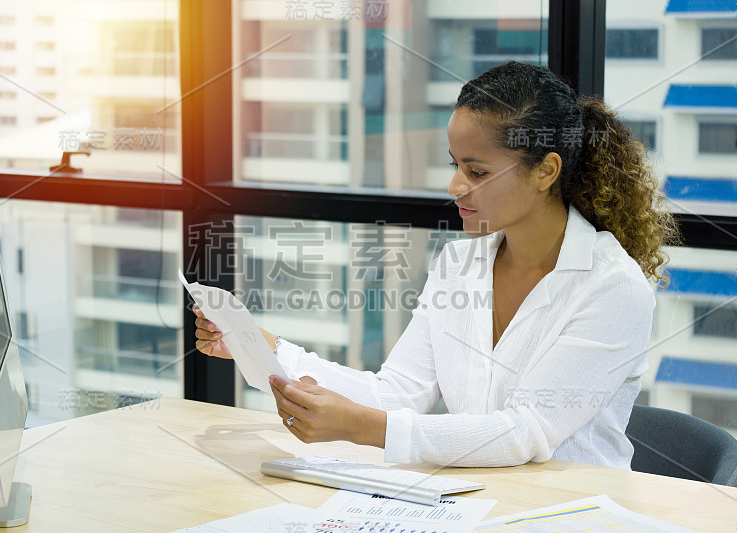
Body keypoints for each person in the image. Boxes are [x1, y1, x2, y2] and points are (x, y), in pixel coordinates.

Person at [192, 61, 681, 469]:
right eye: (456, 166)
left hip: (573, 514)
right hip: (473, 501)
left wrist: (364, 429)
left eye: (478, 171)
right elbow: (397, 393)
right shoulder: (460, 263)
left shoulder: (613, 287)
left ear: (546, 171)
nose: (456, 188)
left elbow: (526, 432)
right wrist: (263, 346)